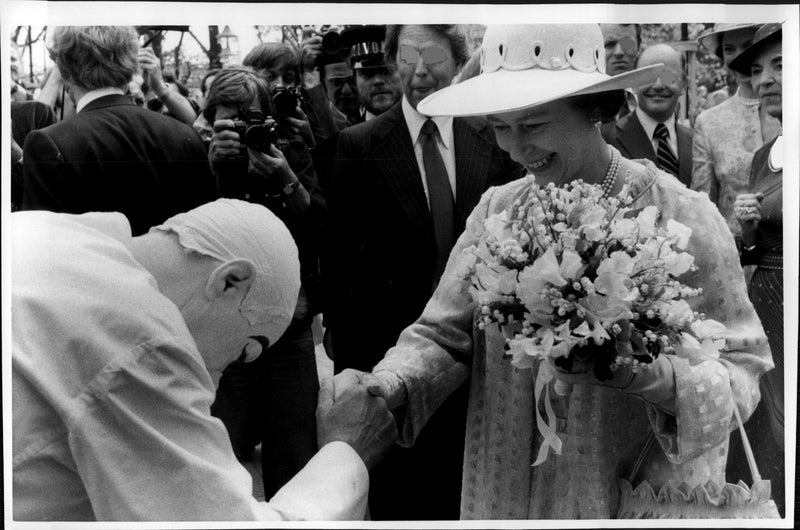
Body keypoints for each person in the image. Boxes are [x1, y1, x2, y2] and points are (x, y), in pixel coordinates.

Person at [336, 23, 772, 520]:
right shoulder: (497, 209)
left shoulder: (683, 213)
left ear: (594, 108)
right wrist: (391, 382)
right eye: (500, 126)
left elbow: (744, 370)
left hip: (622, 486)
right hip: (504, 482)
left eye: (534, 125)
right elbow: (443, 335)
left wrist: (646, 375)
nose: (516, 149)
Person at [11, 199, 396, 521]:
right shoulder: (142, 337)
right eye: (248, 349)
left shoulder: (41, 229)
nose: (215, 384)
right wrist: (345, 450)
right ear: (230, 280)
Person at [323, 23, 523, 520]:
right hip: (392, 361)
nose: (420, 72)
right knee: (403, 502)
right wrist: (360, 379)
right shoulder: (359, 144)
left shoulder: (493, 139)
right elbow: (342, 268)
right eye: (406, 58)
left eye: (432, 57)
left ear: (456, 63)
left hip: (480, 362)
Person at [203, 66, 327, 499]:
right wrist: (216, 171)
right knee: (221, 464)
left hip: (288, 328)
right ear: (210, 119)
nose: (243, 131)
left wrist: (284, 176)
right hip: (222, 335)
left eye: (250, 118)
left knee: (295, 462)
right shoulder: (198, 157)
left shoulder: (289, 149)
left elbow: (317, 225)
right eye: (230, 120)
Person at [20, 26, 216, 236]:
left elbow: (42, 247)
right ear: (130, 67)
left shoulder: (49, 143)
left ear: (66, 72)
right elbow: (204, 231)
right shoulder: (184, 134)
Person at [729, 22, 784, 517]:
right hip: (767, 298)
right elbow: (752, 251)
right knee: (769, 424)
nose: (764, 79)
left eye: (780, 64)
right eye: (758, 69)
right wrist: (746, 231)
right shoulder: (763, 158)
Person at [691, 23, 782, 240]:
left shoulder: (788, 111)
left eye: (748, 45)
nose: (738, 58)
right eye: (729, 49)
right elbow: (703, 208)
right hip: (734, 258)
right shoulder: (708, 122)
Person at [610, 43, 693, 187]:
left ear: (684, 83)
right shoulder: (608, 139)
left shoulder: (695, 141)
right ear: (634, 83)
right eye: (649, 77)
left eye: (668, 77)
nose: (658, 86)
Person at [342, 25, 403, 121]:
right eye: (367, 73)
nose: (377, 80)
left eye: (386, 70)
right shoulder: (345, 132)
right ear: (354, 79)